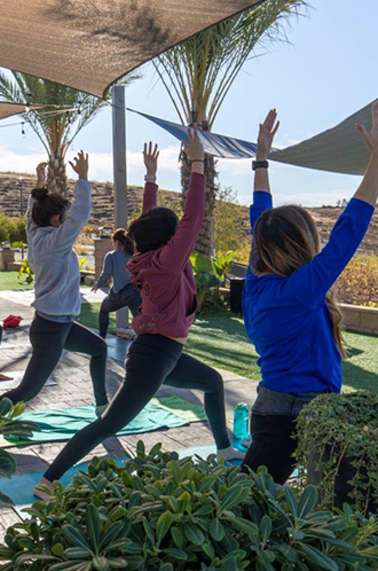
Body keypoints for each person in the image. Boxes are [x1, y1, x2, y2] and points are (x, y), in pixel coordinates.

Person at [35, 133, 243, 497]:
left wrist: (150, 178)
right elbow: (193, 218)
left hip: (164, 353)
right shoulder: (165, 263)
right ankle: (48, 480)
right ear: (168, 240)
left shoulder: (148, 255)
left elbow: (150, 222)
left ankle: (223, 447)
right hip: (154, 356)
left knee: (212, 382)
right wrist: (196, 166)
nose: (181, 236)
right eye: (174, 233)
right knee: (107, 424)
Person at [241, 104, 378, 485]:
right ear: (302, 245)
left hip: (277, 408)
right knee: (251, 505)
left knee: (258, 499)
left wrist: (261, 161)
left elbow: (260, 215)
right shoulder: (297, 292)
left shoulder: (258, 279)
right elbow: (347, 233)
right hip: (296, 414)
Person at [1, 153, 108, 416]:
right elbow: (80, 216)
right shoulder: (56, 243)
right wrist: (83, 179)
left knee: (99, 349)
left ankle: (101, 404)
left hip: (61, 325)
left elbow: (30, 215)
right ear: (57, 219)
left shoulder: (35, 234)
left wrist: (40, 184)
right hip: (51, 329)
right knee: (26, 392)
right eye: (63, 215)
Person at [93, 228, 141, 338]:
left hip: (118, 294)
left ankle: (102, 338)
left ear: (116, 242)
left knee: (104, 310)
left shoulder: (111, 255)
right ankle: (144, 345)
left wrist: (97, 284)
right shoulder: (135, 255)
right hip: (134, 293)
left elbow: (106, 274)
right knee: (140, 321)